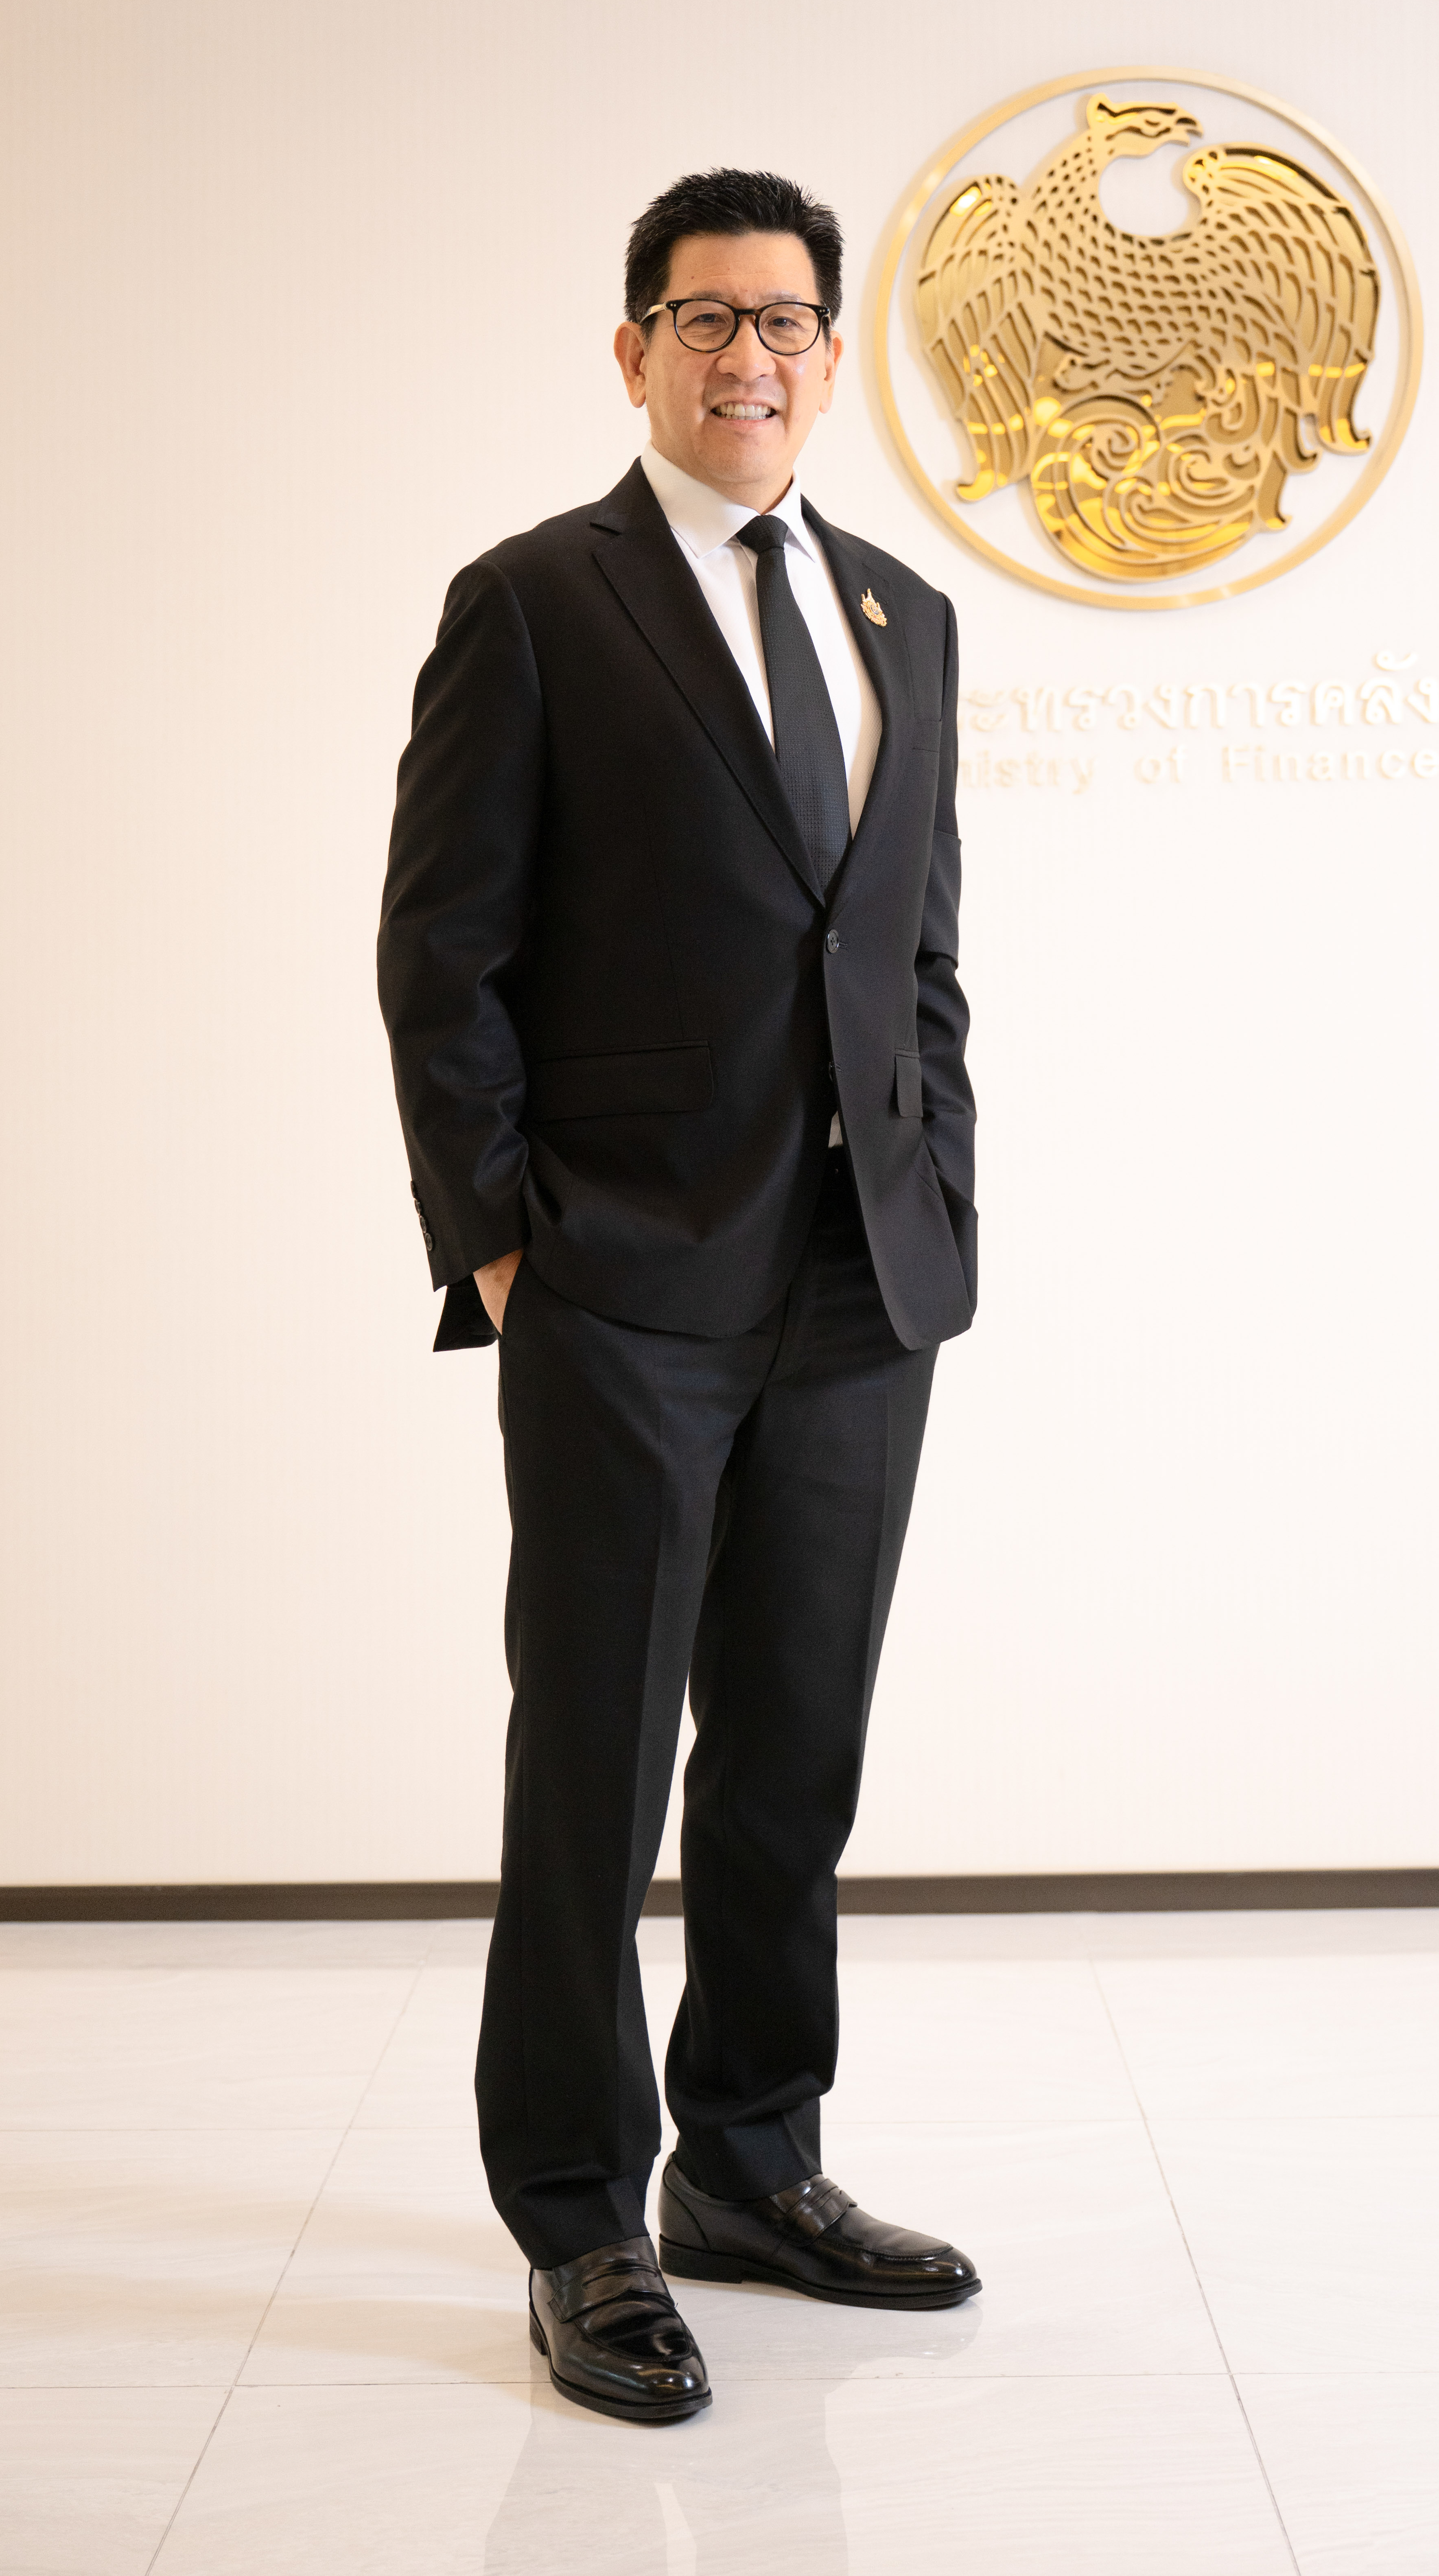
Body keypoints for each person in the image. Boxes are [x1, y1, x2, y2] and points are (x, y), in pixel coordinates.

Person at [377, 169, 980, 2426]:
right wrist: (505, 1238)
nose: (751, 356)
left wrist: (939, 1198)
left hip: (857, 1279)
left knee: (795, 1754)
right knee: (598, 1766)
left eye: (787, 320)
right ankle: (580, 2219)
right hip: (623, 1279)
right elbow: (440, 951)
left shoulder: (907, 612)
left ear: (831, 354)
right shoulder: (537, 601)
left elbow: (916, 950)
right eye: (707, 317)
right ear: (634, 349)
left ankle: (750, 2163)